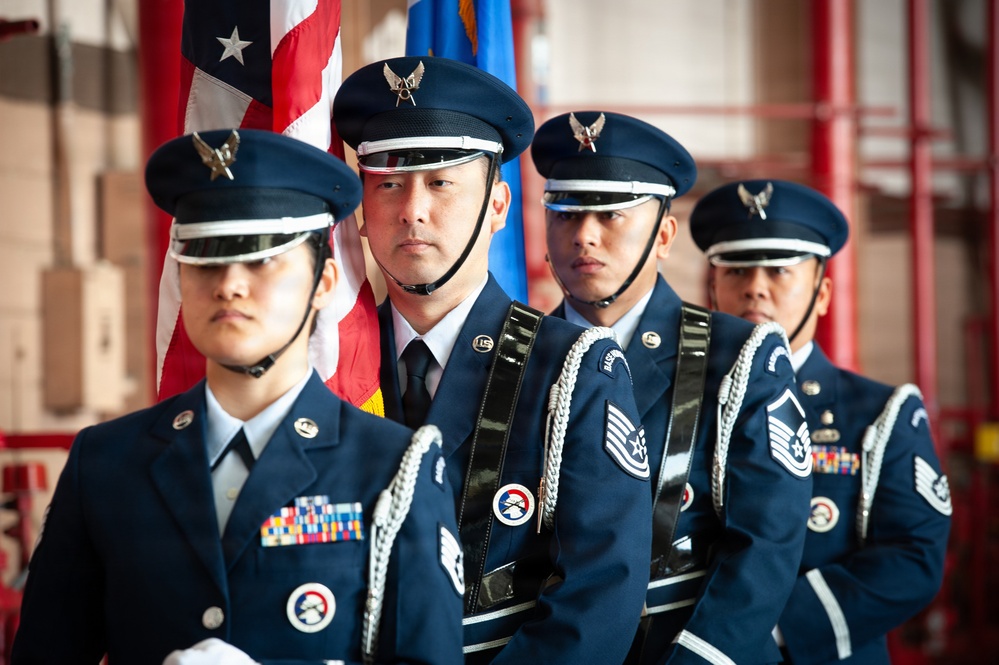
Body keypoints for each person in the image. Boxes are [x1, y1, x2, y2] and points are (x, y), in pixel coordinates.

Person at [11, 129, 464, 665]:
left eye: (262, 259)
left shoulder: (391, 467)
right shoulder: (107, 463)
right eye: (205, 257)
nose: (228, 284)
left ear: (322, 283)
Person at [332, 58, 652, 664]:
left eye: (441, 183)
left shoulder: (574, 370)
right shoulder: (328, 365)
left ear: (499, 207)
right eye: (388, 183)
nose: (411, 211)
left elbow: (600, 595)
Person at [532, 111, 814, 664]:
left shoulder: (739, 359)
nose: (584, 234)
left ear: (663, 235)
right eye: (565, 212)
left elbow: (766, 545)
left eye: (611, 213)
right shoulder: (518, 355)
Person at [690, 179, 952, 664]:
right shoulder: (678, 403)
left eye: (779, 270)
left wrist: (757, 629)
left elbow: (914, 555)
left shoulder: (880, 414)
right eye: (736, 270)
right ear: (713, 288)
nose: (754, 287)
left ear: (823, 291)